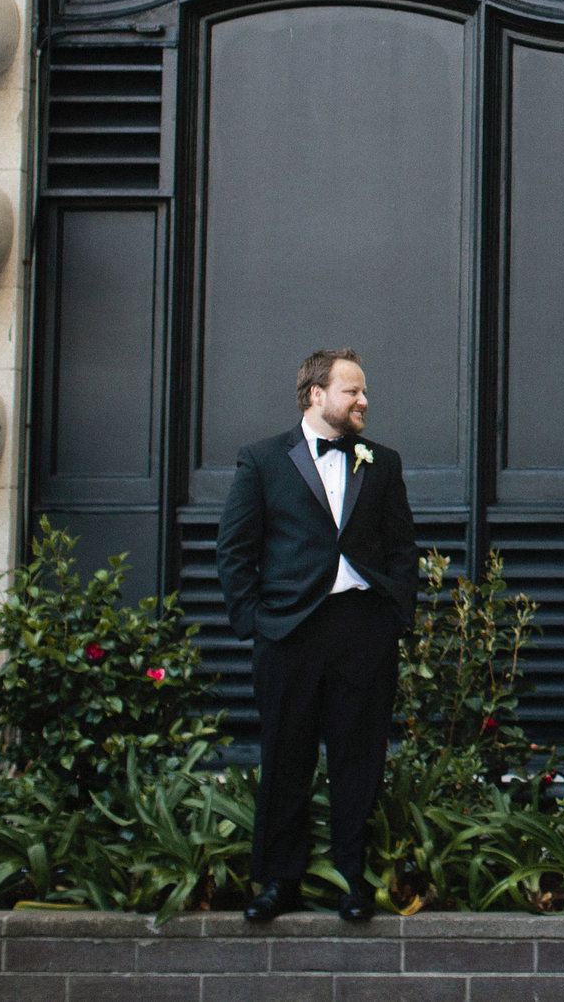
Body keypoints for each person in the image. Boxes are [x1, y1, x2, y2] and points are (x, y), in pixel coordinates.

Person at [216, 348, 419, 924]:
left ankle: (353, 881)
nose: (363, 401)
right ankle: (279, 883)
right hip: (289, 634)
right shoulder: (261, 460)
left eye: (362, 391)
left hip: (362, 631)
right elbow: (234, 550)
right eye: (352, 391)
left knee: (359, 760)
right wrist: (254, 622)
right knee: (286, 759)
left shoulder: (382, 461)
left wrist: (394, 617)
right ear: (316, 396)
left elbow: (402, 547)